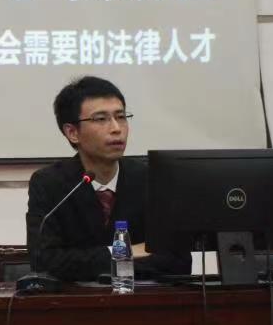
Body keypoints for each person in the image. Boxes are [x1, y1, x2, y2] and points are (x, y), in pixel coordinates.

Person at [26, 75, 191, 281]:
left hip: (142, 297)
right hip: (76, 300)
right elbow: (44, 262)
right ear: (72, 132)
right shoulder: (50, 184)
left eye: (121, 117)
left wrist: (88, 263)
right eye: (101, 119)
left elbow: (178, 260)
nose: (116, 128)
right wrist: (124, 251)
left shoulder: (151, 180)